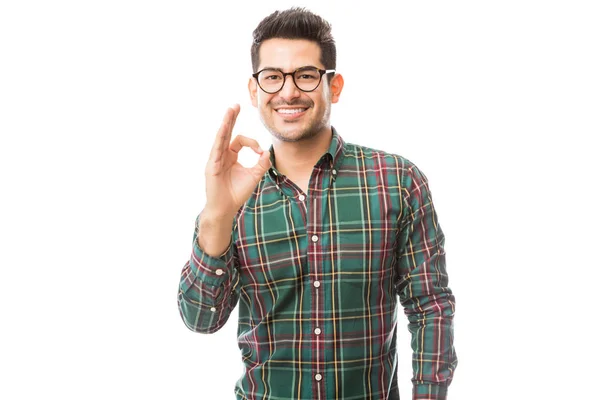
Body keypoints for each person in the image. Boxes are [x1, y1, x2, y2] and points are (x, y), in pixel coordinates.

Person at [177, 7, 457, 400]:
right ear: (255, 90)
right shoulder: (232, 199)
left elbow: (430, 306)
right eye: (272, 77)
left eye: (305, 76)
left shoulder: (397, 181)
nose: (288, 92)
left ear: (334, 86)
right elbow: (200, 319)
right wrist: (217, 217)